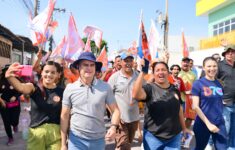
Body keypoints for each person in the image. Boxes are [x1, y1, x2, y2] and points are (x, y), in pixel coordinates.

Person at [60, 52, 120, 150]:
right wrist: (63, 144)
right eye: (85, 65)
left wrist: (113, 127)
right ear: (78, 67)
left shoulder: (105, 87)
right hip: (76, 140)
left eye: (92, 65)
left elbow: (116, 111)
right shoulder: (70, 88)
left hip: (99, 140)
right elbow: (64, 116)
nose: (89, 68)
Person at [5, 61, 64, 150]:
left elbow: (65, 114)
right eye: (46, 71)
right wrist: (9, 76)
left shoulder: (62, 91)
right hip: (36, 133)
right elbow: (21, 87)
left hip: (56, 134)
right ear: (42, 72)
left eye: (53, 72)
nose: (49, 75)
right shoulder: (34, 87)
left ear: (58, 74)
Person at [132, 60, 190, 149]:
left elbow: (179, 110)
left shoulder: (175, 90)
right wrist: (143, 72)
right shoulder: (149, 88)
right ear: (153, 74)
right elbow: (135, 94)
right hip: (153, 138)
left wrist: (184, 128)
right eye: (157, 70)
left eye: (163, 70)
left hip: (174, 137)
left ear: (168, 72)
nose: (161, 72)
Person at [192, 57, 227, 150]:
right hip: (202, 123)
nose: (212, 69)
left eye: (214, 66)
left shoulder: (219, 83)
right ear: (203, 68)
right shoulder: (198, 83)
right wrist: (208, 124)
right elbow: (195, 106)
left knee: (222, 147)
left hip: (219, 123)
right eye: (209, 66)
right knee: (199, 147)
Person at [108, 51, 140, 150]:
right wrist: (115, 115)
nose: (128, 63)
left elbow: (145, 92)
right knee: (123, 145)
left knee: (128, 144)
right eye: (126, 60)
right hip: (120, 120)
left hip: (134, 118)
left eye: (130, 60)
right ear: (121, 62)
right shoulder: (114, 77)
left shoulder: (138, 76)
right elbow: (107, 98)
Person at [217, 45, 235, 149]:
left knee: (233, 130)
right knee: (225, 129)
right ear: (224, 54)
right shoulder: (219, 65)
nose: (230, 54)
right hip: (224, 102)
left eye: (232, 51)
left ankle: (231, 148)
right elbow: (211, 82)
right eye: (228, 52)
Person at [0, 64, 21, 145]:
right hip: (3, 104)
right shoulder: (1, 80)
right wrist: (1, 100)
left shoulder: (17, 79)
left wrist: (15, 97)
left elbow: (22, 90)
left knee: (14, 121)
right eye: (7, 70)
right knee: (6, 122)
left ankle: (15, 125)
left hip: (15, 104)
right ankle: (10, 138)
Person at [178, 57, 197, 129]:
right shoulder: (177, 73)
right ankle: (179, 133)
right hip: (180, 99)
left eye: (187, 62)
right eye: (184, 62)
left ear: (190, 64)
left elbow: (196, 86)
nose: (185, 63)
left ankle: (185, 131)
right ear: (181, 63)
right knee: (179, 116)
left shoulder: (193, 74)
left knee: (190, 117)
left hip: (190, 99)